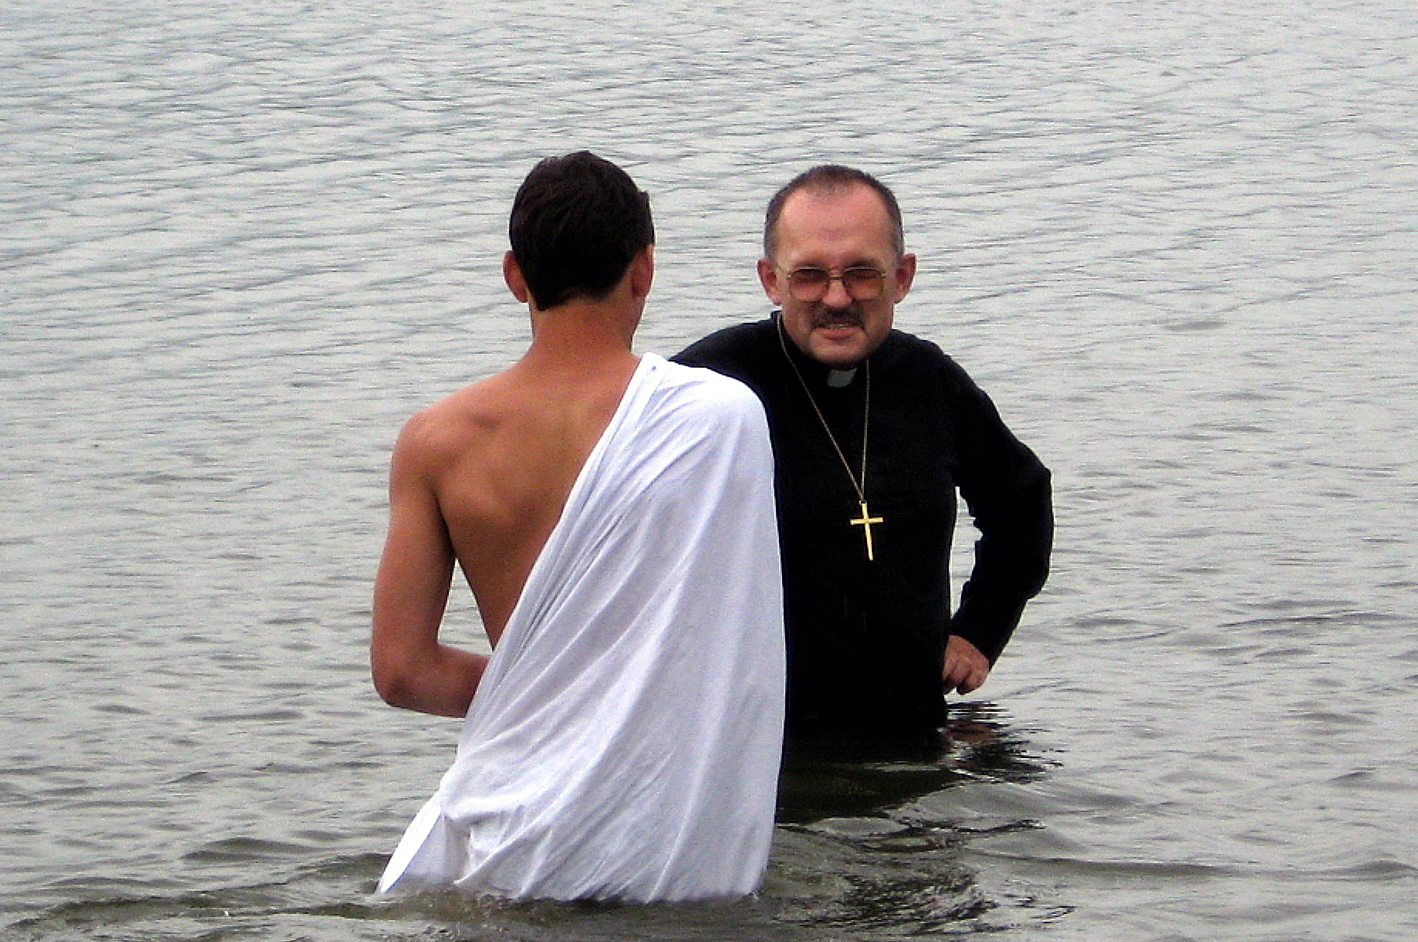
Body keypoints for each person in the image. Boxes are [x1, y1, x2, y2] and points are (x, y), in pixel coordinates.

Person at [370, 152, 785, 902]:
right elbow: (737, 647)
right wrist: (609, 693)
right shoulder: (719, 419)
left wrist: (553, 688)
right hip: (659, 833)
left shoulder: (436, 441)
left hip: (512, 838)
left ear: (514, 275)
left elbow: (402, 673)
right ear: (644, 269)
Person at [675, 165, 1052, 738]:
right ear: (769, 280)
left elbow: (1021, 505)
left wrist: (979, 631)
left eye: (861, 274)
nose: (837, 298)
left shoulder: (931, 382)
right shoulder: (707, 386)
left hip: (911, 728)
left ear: (902, 276)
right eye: (808, 276)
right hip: (758, 743)